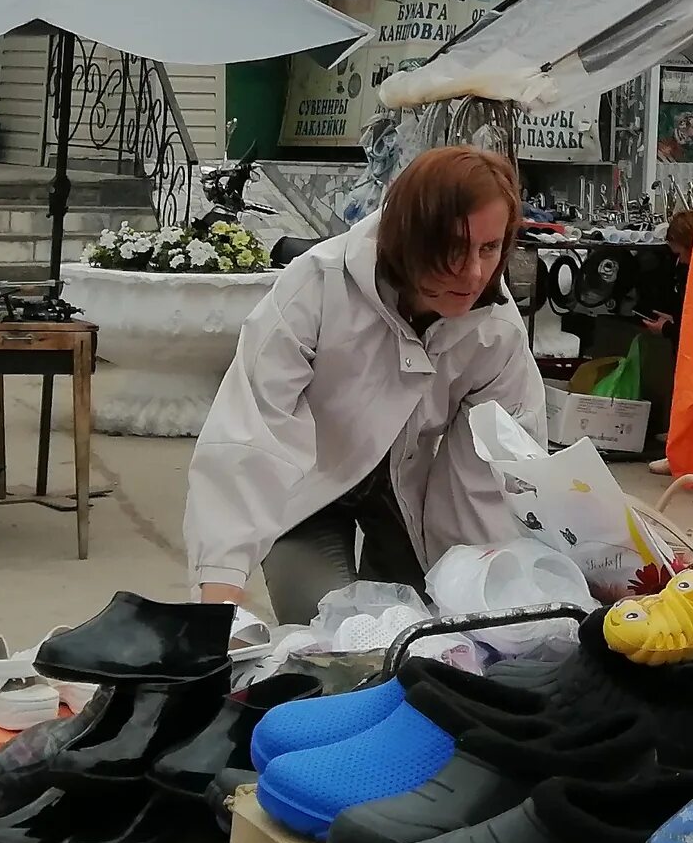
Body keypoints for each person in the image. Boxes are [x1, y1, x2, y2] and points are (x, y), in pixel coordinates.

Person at [188, 144, 546, 620]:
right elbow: (248, 439)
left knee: (420, 634)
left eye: (489, 247)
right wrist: (217, 605)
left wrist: (478, 597)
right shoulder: (315, 289)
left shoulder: (496, 330)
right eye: (454, 248)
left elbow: (494, 473)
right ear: (410, 236)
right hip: (307, 484)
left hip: (406, 489)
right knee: (332, 636)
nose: (474, 273)